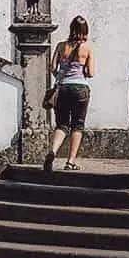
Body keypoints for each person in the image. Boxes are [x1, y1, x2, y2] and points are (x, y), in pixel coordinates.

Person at [43, 16, 95, 172]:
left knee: (62, 125)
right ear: (85, 31)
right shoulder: (88, 48)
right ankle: (70, 161)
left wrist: (62, 75)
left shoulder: (60, 46)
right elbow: (91, 73)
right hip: (81, 89)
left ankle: (52, 152)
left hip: (63, 89)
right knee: (77, 126)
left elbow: (52, 68)